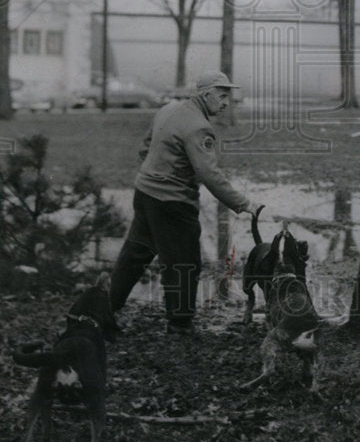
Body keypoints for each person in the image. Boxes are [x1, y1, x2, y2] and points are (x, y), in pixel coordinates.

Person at [109, 72, 262, 335]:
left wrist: (155, 172)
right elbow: (209, 174)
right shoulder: (198, 127)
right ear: (206, 95)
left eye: (229, 96)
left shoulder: (168, 109)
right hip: (172, 202)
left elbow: (145, 148)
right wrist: (243, 203)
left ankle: (106, 309)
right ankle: (180, 324)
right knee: (184, 261)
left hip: (145, 193)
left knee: (135, 253)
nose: (227, 103)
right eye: (222, 96)